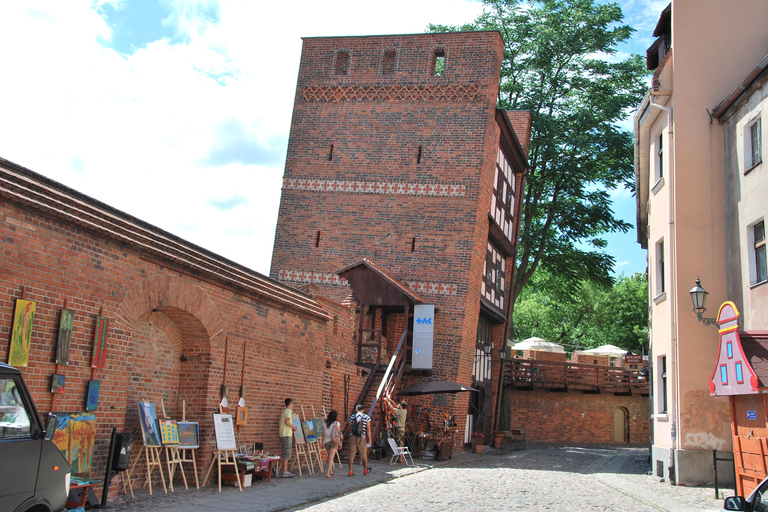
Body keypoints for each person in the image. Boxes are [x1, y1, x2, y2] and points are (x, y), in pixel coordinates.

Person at [347, 404, 372, 476]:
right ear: (363, 410)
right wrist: (369, 439)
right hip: (362, 437)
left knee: (351, 454)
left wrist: (350, 434)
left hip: (353, 437)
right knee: (363, 454)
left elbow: (349, 427)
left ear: (356, 410)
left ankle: (350, 471)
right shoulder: (366, 417)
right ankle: (365, 470)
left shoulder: (352, 416)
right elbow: (368, 429)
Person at [279, 398, 297, 478]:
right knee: (287, 453)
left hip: (283, 433)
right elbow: (287, 422)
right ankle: (284, 471)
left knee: (285, 453)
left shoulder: (285, 412)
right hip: (286, 434)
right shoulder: (288, 411)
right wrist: (294, 427)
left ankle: (276, 466)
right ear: (291, 403)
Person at [322, 410, 341, 478]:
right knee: (331, 457)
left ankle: (330, 471)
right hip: (333, 441)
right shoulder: (336, 423)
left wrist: (322, 443)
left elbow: (323, 434)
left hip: (326, 441)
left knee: (329, 456)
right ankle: (327, 472)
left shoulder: (325, 423)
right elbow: (338, 434)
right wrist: (340, 443)